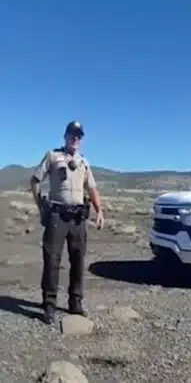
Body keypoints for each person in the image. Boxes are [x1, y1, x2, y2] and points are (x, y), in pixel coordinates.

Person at [30, 121, 105, 324]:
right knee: (52, 261)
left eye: (79, 136)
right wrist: (41, 206)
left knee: (78, 260)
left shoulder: (83, 162)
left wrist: (99, 211)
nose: (75, 138)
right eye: (72, 135)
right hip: (57, 215)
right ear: (65, 136)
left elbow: (92, 188)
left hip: (78, 218)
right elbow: (35, 180)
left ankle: (75, 302)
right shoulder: (53, 157)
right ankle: (49, 306)